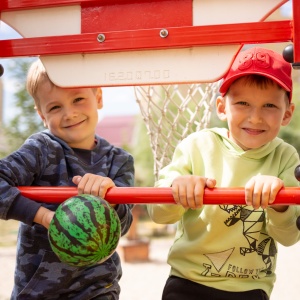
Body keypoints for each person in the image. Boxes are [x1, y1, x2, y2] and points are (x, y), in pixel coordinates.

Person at [147, 47, 300, 300]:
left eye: (269, 105)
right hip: (188, 279)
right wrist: (178, 187)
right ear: (221, 107)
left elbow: (289, 236)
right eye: (242, 103)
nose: (255, 117)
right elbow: (159, 214)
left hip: (249, 287)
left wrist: (279, 203)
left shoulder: (285, 157)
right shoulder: (196, 146)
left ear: (287, 113)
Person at [0, 59, 134, 299]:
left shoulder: (119, 161)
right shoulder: (41, 149)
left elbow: (122, 227)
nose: (69, 113)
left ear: (98, 97)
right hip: (39, 292)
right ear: (41, 115)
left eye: (78, 99)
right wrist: (46, 218)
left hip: (97, 289)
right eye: (54, 107)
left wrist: (111, 201)